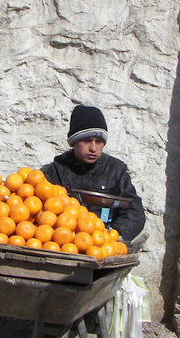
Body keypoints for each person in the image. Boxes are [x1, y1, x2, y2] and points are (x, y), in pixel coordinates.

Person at [41, 104, 146, 250]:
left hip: (101, 246)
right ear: (74, 142)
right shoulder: (56, 171)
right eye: (86, 140)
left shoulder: (116, 171)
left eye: (99, 142)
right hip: (63, 245)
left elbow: (134, 212)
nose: (93, 148)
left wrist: (114, 233)